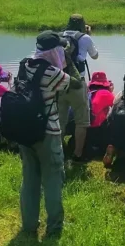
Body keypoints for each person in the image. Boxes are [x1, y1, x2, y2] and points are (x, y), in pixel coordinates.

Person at [17, 31, 72, 239]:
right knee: (52, 180)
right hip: (48, 132)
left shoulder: (24, 65)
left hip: (24, 131)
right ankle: (54, 226)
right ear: (55, 51)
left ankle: (29, 225)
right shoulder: (53, 73)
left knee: (30, 179)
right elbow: (73, 82)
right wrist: (67, 59)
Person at [59, 14, 99, 162]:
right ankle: (77, 154)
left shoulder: (58, 36)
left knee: (60, 119)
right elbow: (95, 56)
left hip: (59, 81)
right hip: (77, 83)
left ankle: (58, 152)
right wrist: (87, 36)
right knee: (82, 121)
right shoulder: (85, 38)